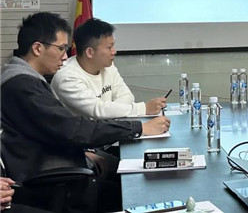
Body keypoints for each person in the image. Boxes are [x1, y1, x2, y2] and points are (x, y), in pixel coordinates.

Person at [0, 12, 171, 186]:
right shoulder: (23, 86)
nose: (65, 56)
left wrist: (83, 152)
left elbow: (58, 130)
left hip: (58, 160)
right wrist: (139, 128)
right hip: (49, 178)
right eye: (61, 48)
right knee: (134, 184)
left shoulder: (26, 80)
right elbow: (74, 128)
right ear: (37, 48)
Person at [51, 18, 166, 119]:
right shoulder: (67, 77)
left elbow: (127, 96)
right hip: (81, 137)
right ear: (90, 52)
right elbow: (97, 110)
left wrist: (110, 112)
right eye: (109, 47)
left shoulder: (108, 66)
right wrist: (143, 108)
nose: (114, 51)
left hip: (107, 130)